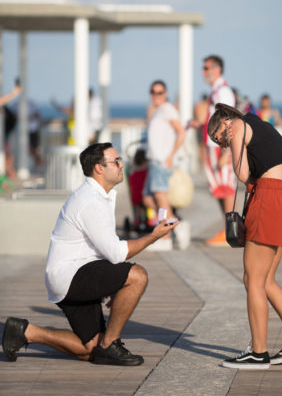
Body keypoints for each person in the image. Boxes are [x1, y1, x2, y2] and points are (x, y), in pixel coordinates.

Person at [2, 142, 178, 366]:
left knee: (90, 349)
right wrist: (154, 236)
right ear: (99, 168)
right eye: (116, 161)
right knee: (137, 276)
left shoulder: (98, 196)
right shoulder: (90, 201)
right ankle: (110, 345)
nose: (122, 165)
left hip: (70, 274)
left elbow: (103, 249)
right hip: (71, 276)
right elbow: (116, 253)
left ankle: (27, 332)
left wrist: (114, 284)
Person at [207, 103, 282, 369]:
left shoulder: (238, 125)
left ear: (224, 124)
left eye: (219, 139)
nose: (221, 145)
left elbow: (242, 173)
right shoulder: (262, 126)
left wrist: (233, 145)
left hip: (270, 197)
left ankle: (258, 352)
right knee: (265, 280)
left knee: (252, 279)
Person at [192, 55, 236, 246]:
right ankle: (228, 229)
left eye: (207, 67)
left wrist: (226, 152)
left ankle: (232, 231)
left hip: (220, 147)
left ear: (217, 69)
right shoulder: (216, 91)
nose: (204, 71)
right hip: (213, 146)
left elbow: (229, 120)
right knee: (218, 189)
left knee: (226, 187)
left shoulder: (223, 91)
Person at [143, 80, 185, 250]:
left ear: (165, 94)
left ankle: (165, 237)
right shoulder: (157, 111)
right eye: (153, 92)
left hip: (162, 162)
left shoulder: (167, 109)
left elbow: (181, 132)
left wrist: (171, 156)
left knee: (161, 200)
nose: (156, 95)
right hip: (155, 162)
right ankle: (177, 225)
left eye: (160, 92)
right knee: (147, 198)